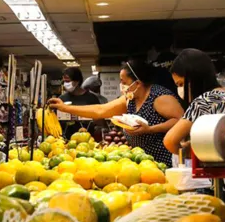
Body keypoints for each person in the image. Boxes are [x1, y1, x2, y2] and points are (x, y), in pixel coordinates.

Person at [163, 49, 225, 222]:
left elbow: (170, 141)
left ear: (193, 78)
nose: (180, 89)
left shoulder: (204, 101)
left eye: (181, 83)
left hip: (215, 192)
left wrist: (190, 151)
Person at [48, 59, 184, 166]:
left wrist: (150, 129)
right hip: (140, 160)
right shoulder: (130, 99)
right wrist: (64, 108)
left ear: (137, 83)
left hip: (162, 160)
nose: (121, 85)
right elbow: (100, 110)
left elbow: (180, 120)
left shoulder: (159, 97)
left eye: (123, 81)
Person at [57, 67, 102, 138]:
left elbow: (99, 121)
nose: (65, 84)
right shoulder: (61, 99)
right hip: (66, 140)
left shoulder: (91, 98)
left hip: (88, 140)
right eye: (64, 82)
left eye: (68, 81)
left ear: (77, 81)